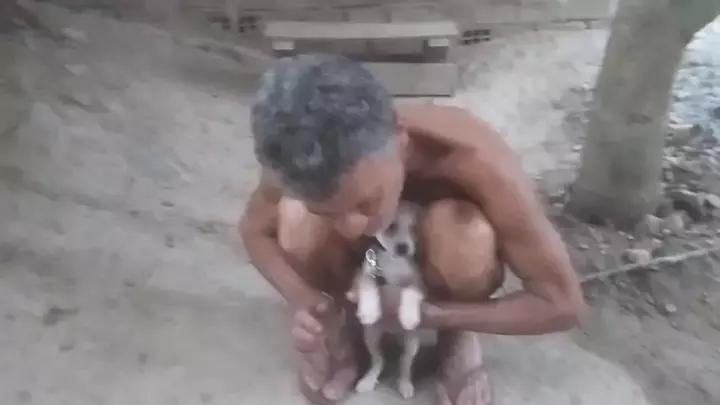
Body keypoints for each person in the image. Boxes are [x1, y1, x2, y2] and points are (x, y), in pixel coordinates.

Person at [239, 54, 585, 405]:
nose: (352, 229)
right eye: (331, 213)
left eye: (365, 203)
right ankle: (340, 323)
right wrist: (305, 299)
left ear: (401, 142)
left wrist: (436, 315)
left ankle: (456, 336)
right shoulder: (299, 157)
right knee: (297, 217)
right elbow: (254, 230)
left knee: (464, 235)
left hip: (435, 285)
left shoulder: (475, 159)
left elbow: (562, 303)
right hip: (364, 279)